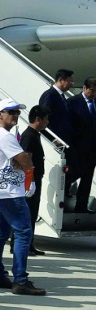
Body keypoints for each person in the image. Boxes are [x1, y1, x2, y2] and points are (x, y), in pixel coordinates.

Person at [0, 100, 47, 295]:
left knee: (0, 233)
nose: (15, 115)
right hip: (11, 192)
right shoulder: (5, 137)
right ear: (0, 114)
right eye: (10, 112)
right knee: (23, 232)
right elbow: (27, 162)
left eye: (17, 112)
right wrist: (23, 159)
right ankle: (20, 279)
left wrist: (21, 160)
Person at [19, 105, 51, 255]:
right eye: (46, 119)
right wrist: (29, 180)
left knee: (32, 212)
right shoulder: (29, 135)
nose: (47, 122)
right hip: (30, 181)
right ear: (38, 119)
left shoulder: (36, 134)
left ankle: (29, 243)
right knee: (26, 213)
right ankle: (19, 244)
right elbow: (26, 158)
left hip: (36, 179)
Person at [65, 77, 96, 213]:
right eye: (92, 91)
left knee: (87, 177)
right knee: (74, 173)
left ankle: (81, 206)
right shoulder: (73, 102)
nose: (94, 94)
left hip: (92, 149)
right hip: (77, 148)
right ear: (84, 88)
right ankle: (64, 191)